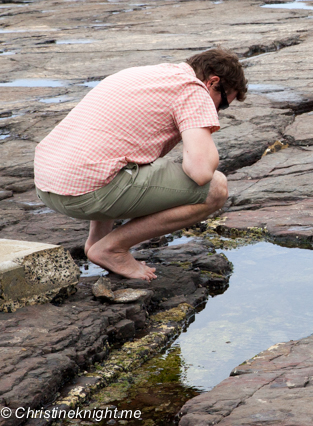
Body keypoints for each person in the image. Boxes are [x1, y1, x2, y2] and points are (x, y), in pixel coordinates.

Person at [34, 47, 248, 281]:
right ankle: (111, 248)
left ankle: (96, 243)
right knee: (216, 189)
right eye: (223, 103)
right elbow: (200, 172)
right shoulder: (192, 89)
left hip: (47, 185)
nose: (217, 111)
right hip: (84, 194)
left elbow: (108, 151)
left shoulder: (146, 74)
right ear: (212, 82)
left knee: (121, 162)